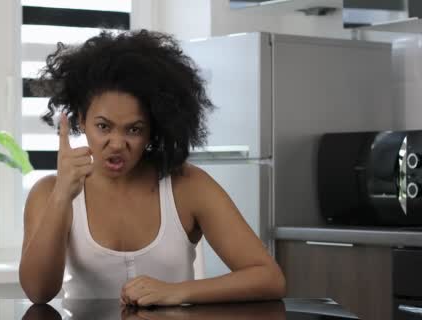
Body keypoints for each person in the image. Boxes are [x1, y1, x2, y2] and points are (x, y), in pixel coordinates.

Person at [18, 29, 286, 306]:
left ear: (153, 131)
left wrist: (177, 291)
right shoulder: (48, 192)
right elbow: (38, 293)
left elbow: (269, 278)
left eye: (133, 129)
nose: (117, 143)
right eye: (103, 126)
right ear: (81, 120)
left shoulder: (188, 185)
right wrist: (62, 196)